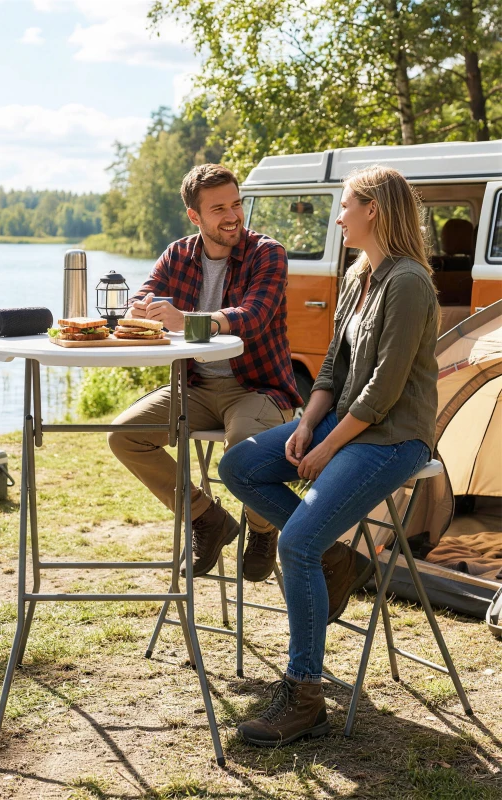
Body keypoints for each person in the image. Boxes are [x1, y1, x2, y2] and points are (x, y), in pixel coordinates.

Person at [218, 165, 439, 746]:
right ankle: (336, 561)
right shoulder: (360, 274)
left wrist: (328, 446)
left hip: (395, 436)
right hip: (345, 422)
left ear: (375, 210)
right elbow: (333, 372)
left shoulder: (408, 281)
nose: (337, 217)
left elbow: (385, 390)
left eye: (345, 206)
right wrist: (307, 423)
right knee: (239, 465)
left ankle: (304, 693)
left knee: (295, 542)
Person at [108, 163, 302, 579]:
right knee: (123, 437)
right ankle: (207, 518)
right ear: (195, 216)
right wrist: (139, 309)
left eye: (236, 204)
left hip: (258, 389)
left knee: (244, 453)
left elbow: (254, 315)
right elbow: (143, 296)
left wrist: (189, 322)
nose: (233, 216)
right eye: (219, 209)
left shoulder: (267, 252)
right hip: (193, 387)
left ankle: (264, 530)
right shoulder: (177, 254)